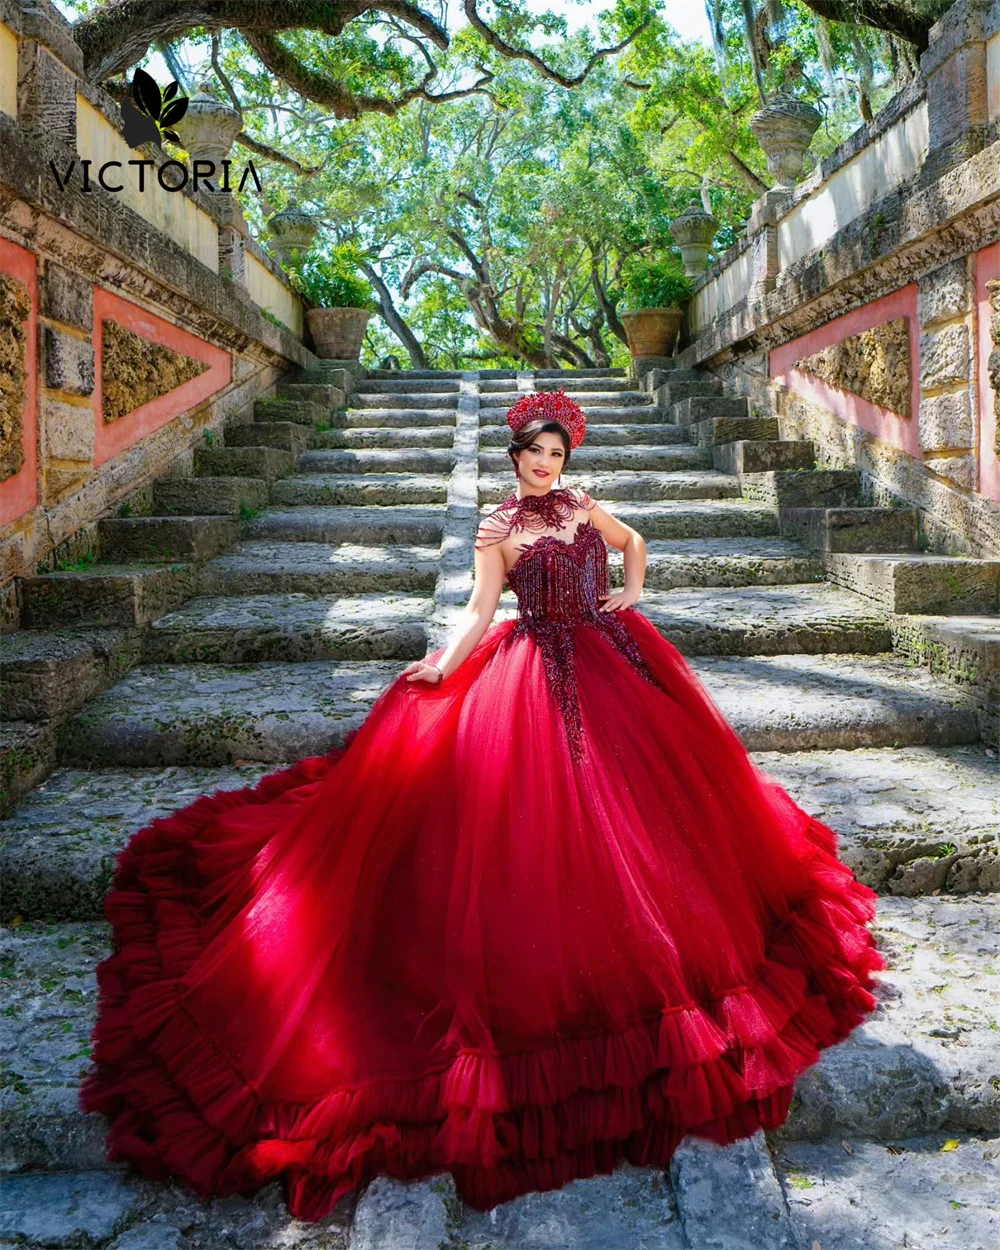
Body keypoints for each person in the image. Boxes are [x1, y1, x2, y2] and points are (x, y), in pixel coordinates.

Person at [80, 389, 885, 1220]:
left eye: (558, 456)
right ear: (513, 458)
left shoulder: (582, 508)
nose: (546, 466)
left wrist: (631, 592)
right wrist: (441, 664)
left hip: (614, 660)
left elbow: (634, 541)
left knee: (646, 812)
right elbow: (477, 610)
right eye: (535, 455)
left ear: (568, 461)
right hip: (534, 667)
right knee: (542, 819)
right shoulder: (498, 529)